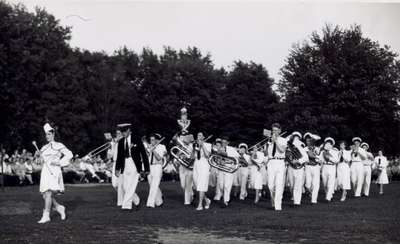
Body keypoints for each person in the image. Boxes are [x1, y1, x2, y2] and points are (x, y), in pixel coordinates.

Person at [37, 123, 73, 224]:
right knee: (45, 195)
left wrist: (60, 162)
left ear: (53, 134)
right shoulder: (43, 148)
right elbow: (39, 162)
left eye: (49, 134)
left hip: (54, 171)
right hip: (45, 172)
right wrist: (37, 156)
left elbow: (70, 154)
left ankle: (46, 215)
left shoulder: (59, 145)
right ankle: (59, 207)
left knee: (48, 193)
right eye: (46, 134)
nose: (47, 136)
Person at [113, 123, 150, 210]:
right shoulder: (121, 142)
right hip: (125, 164)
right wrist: (117, 168)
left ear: (129, 131)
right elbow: (119, 156)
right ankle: (137, 201)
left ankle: (126, 206)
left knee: (131, 185)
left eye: (124, 132)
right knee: (125, 187)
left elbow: (144, 154)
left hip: (134, 165)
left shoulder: (136, 139)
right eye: (122, 132)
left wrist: (146, 168)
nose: (123, 134)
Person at [266, 123, 287, 211]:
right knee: (270, 185)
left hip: (280, 162)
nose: (274, 132)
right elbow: (266, 154)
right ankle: (273, 201)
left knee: (279, 184)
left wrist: (276, 141)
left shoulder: (283, 140)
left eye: (276, 130)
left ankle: (278, 206)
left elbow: (282, 150)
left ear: (280, 131)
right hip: (271, 162)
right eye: (273, 130)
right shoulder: (269, 141)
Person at [214, 136, 239, 208]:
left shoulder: (231, 149)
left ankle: (225, 200)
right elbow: (215, 158)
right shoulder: (218, 149)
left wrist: (224, 154)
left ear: (228, 143)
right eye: (222, 142)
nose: (223, 144)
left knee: (227, 185)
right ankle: (224, 196)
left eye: (225, 142)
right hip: (221, 169)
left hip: (229, 169)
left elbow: (236, 157)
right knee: (221, 185)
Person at [286, 132, 308, 206]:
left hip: (299, 168)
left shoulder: (300, 148)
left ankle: (297, 202)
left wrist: (298, 161)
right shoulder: (287, 149)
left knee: (297, 185)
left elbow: (306, 158)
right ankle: (294, 198)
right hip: (290, 168)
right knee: (291, 185)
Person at [192, 132, 212, 210]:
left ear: (203, 137)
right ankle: (206, 200)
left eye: (200, 135)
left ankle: (200, 204)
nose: (198, 137)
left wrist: (202, 145)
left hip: (204, 164)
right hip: (196, 164)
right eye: (197, 135)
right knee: (197, 185)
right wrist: (194, 149)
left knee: (201, 184)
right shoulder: (194, 145)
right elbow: (192, 157)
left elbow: (207, 155)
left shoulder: (208, 145)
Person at [146, 133, 167, 208]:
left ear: (157, 140)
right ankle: (159, 201)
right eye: (150, 140)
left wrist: (153, 150)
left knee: (154, 185)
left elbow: (159, 158)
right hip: (150, 166)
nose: (151, 141)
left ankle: (150, 203)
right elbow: (146, 157)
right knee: (151, 184)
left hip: (157, 166)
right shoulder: (149, 146)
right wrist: (147, 151)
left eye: (153, 140)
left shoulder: (162, 147)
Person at [303, 132, 321, 204]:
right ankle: (310, 193)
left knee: (316, 184)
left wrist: (315, 155)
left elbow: (319, 158)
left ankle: (314, 200)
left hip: (316, 167)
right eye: (307, 141)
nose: (309, 142)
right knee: (307, 184)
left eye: (310, 140)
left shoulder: (317, 149)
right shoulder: (304, 149)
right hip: (308, 166)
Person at [320, 137, 339, 202]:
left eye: (329, 144)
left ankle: (328, 198)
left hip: (332, 167)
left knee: (330, 183)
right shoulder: (322, 151)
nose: (328, 145)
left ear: (332, 145)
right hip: (325, 167)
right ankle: (329, 195)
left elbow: (336, 160)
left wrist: (329, 158)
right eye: (327, 143)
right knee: (325, 183)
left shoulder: (335, 152)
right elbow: (320, 160)